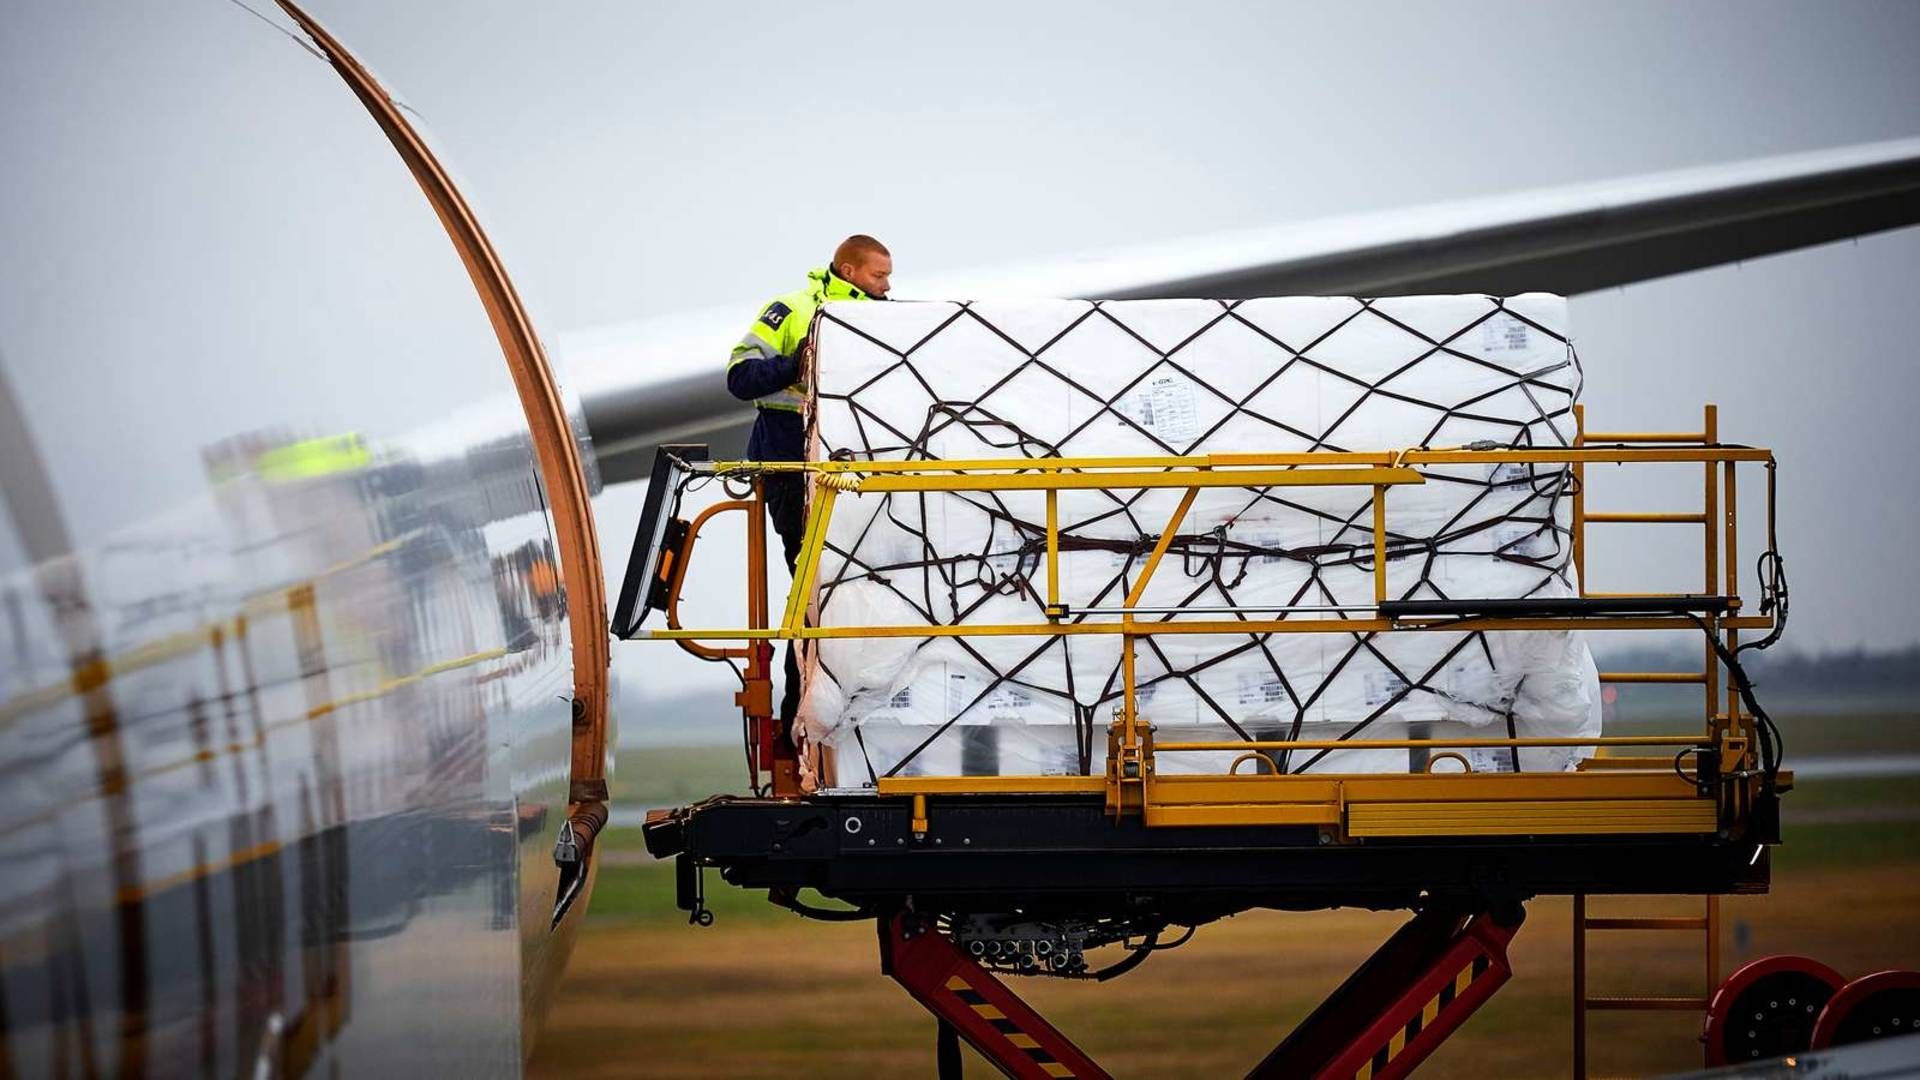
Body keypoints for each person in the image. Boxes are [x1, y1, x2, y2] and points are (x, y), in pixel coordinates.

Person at [726, 234, 892, 725]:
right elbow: (739, 378)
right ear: (847, 270)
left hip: (858, 475)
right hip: (791, 468)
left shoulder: (891, 321)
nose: (887, 285)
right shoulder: (790, 309)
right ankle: (798, 717)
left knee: (861, 589)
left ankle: (849, 707)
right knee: (815, 589)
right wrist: (794, 364)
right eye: (879, 276)